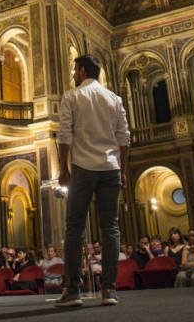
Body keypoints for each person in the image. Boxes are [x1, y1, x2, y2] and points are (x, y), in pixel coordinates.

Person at [55, 55, 130, 308]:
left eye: (75, 70)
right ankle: (109, 289)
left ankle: (73, 291)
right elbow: (124, 138)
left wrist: (63, 169)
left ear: (83, 70)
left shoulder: (72, 96)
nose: (74, 74)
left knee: (74, 229)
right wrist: (123, 171)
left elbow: (64, 135)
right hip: (111, 168)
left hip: (83, 168)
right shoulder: (114, 99)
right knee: (111, 229)